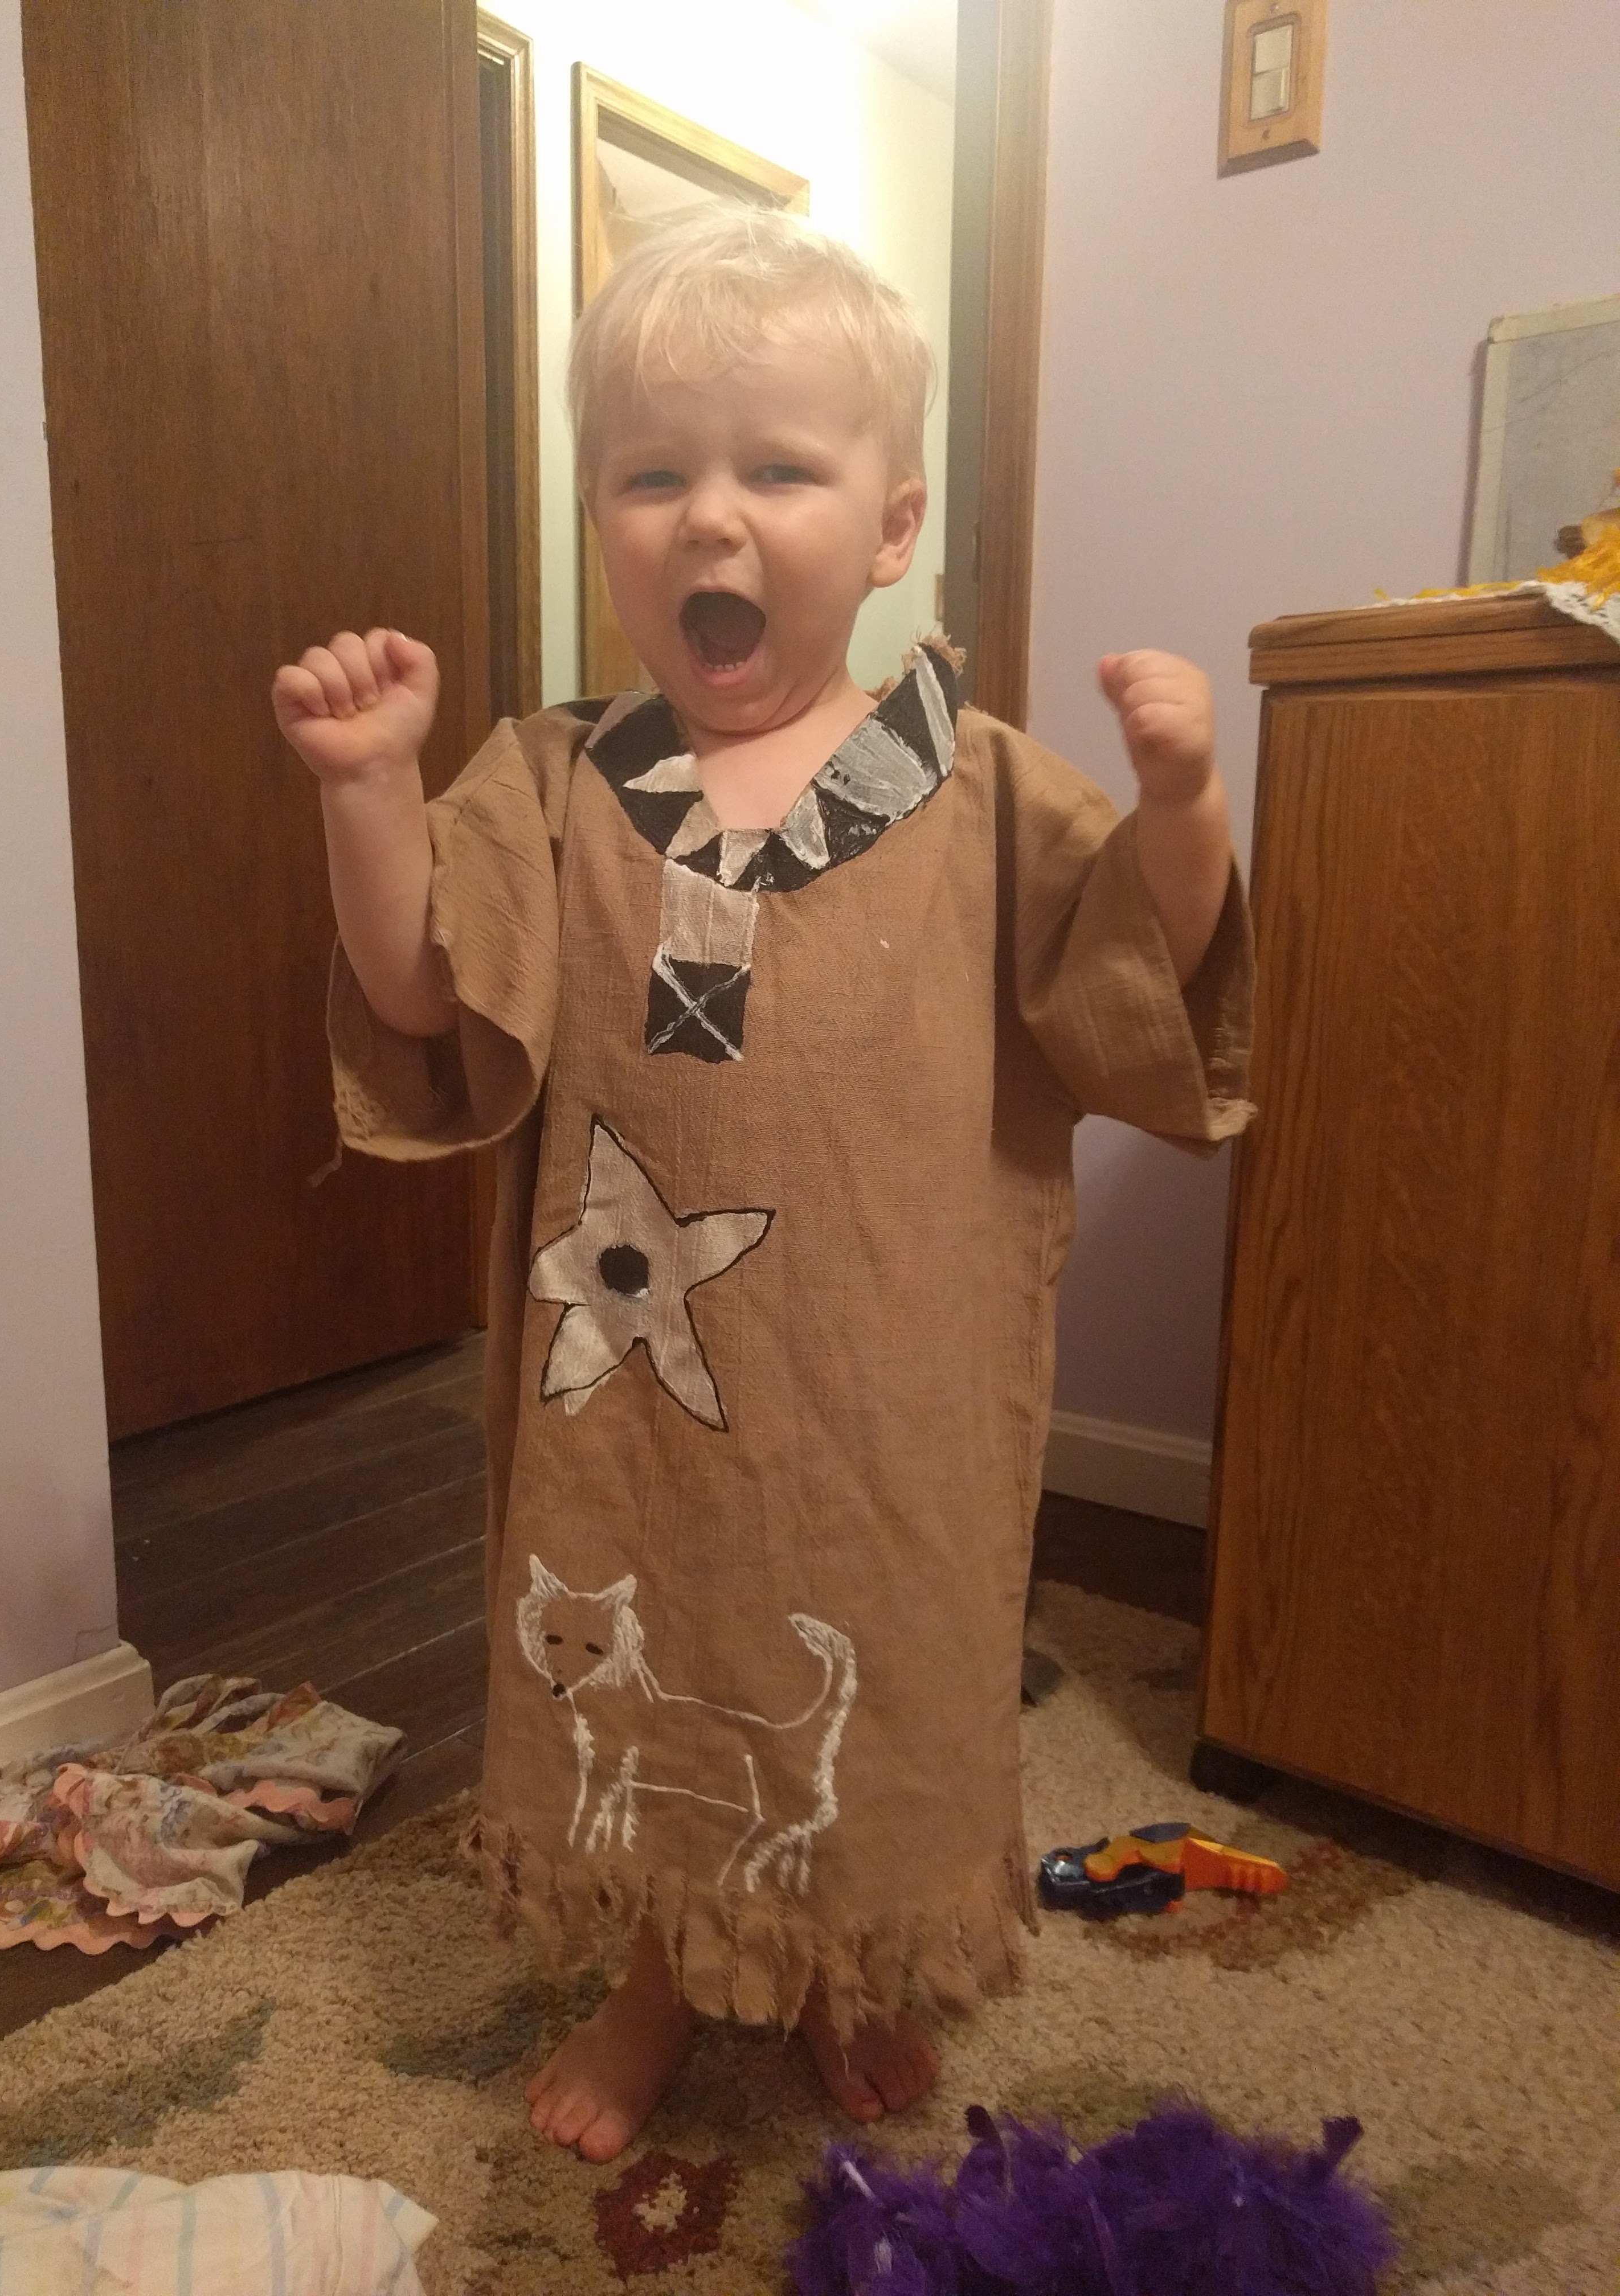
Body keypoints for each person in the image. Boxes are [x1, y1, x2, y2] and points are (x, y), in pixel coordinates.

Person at [272, 208, 1253, 2166]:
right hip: (631, 1405)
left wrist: (1183, 809)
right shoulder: (554, 785)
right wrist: (366, 789)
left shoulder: (981, 789)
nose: (710, 518)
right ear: (601, 522)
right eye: (653, 476)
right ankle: (659, 1977)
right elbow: (423, 997)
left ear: (892, 527)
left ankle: (834, 1965)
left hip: (887, 1390)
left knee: (868, 1660)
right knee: (656, 1658)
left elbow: (1142, 989)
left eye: (778, 471)